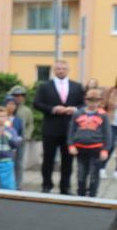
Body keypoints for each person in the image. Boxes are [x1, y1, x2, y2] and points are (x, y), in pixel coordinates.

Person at [33, 60, 85, 194]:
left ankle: (65, 187)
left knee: (68, 160)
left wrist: (75, 109)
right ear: (54, 70)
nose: (61, 71)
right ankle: (46, 185)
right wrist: (53, 109)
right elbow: (37, 103)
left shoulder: (77, 86)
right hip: (50, 128)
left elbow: (83, 104)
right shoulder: (45, 86)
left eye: (63, 68)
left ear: (68, 70)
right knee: (48, 159)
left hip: (70, 130)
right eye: (58, 68)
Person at [67, 89, 112, 198]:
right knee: (81, 174)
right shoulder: (77, 113)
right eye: (90, 100)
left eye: (96, 101)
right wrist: (71, 145)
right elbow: (71, 131)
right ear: (85, 100)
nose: (93, 103)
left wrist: (105, 150)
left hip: (96, 149)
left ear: (100, 101)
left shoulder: (103, 115)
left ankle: (92, 196)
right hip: (80, 149)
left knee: (94, 174)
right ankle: (81, 195)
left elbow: (108, 134)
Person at [8, 85, 34, 188]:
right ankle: (7, 183)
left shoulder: (26, 110)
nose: (19, 97)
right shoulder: (7, 108)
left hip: (21, 140)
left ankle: (18, 184)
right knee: (8, 162)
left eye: (21, 95)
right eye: (16, 95)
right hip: (8, 140)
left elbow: (30, 124)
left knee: (19, 163)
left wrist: (27, 135)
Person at [102, 78, 117, 179]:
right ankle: (102, 167)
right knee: (109, 145)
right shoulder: (111, 91)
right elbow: (103, 105)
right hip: (111, 123)